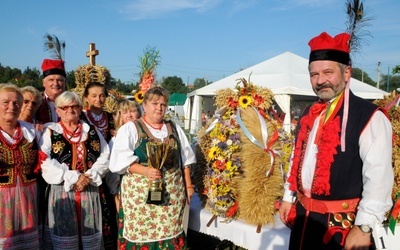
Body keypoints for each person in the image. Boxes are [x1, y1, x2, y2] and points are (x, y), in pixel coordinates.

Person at [278, 32, 394, 250]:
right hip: (304, 221)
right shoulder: (307, 113)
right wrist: (288, 197)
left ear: (347, 72)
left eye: (328, 72)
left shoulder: (369, 116)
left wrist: (364, 228)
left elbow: (378, 178)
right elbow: (297, 158)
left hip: (342, 228)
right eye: (314, 74)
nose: (320, 80)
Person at [109, 86, 196, 249]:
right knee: (141, 233)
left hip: (171, 194)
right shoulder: (131, 128)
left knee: (172, 231)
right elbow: (119, 161)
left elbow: (185, 159)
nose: (159, 108)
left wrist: (189, 185)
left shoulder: (174, 128)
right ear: (144, 106)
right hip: (140, 196)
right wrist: (145, 171)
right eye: (155, 103)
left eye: (163, 104)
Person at [39, 91, 110, 249]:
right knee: (65, 236)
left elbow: (105, 155)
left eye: (74, 106)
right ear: (57, 110)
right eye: (64, 107)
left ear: (80, 109)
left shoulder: (91, 130)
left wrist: (89, 175)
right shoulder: (51, 131)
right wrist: (72, 177)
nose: (70, 110)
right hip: (63, 191)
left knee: (89, 234)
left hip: (89, 189)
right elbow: (44, 160)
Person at [0, 83, 41, 249]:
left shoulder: (32, 132)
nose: (12, 107)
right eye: (5, 102)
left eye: (17, 103)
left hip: (28, 196)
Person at [36, 58, 66, 124]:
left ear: (65, 82)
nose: (55, 84)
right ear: (44, 83)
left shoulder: (72, 103)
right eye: (51, 80)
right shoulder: (35, 102)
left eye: (59, 80)